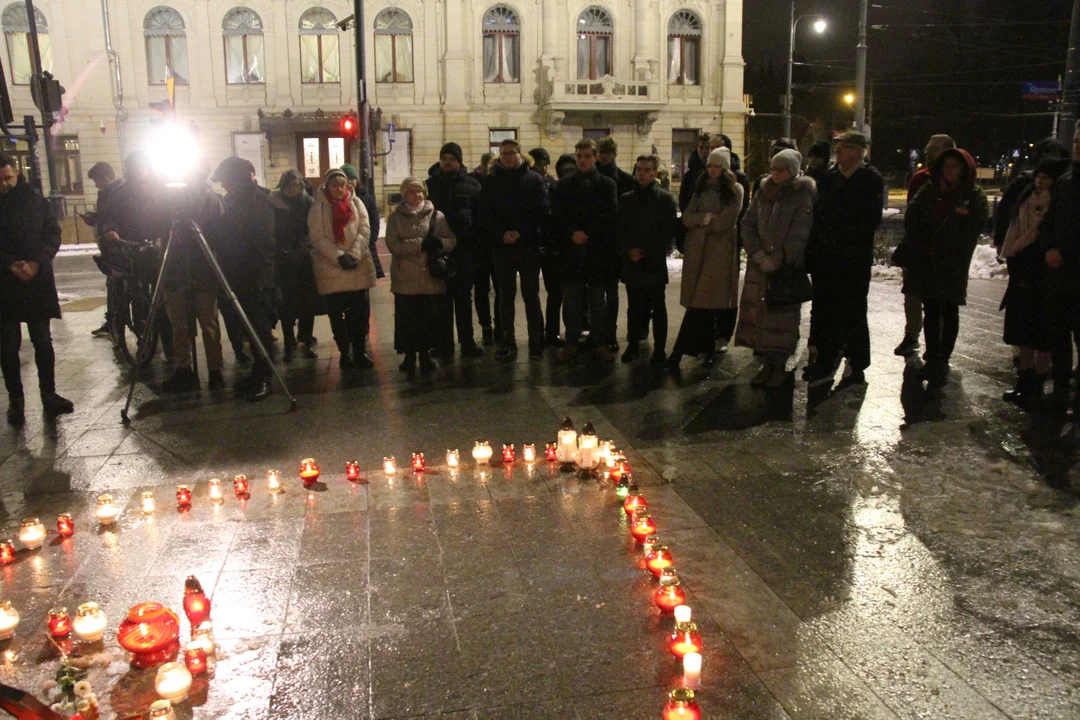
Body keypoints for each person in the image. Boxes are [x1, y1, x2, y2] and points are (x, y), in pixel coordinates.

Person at [901, 148, 988, 391]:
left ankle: (943, 359)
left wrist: (950, 248)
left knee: (948, 310)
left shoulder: (973, 195)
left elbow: (972, 229)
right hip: (927, 261)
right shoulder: (930, 189)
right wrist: (925, 243)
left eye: (955, 167)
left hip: (952, 264)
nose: (950, 171)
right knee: (930, 309)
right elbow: (913, 217)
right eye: (947, 166)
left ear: (964, 170)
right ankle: (931, 357)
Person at [805, 131, 885, 388]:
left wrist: (841, 232)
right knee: (827, 310)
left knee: (853, 310)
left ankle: (856, 361)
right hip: (827, 258)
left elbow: (869, 220)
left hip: (853, 258)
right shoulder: (830, 177)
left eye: (844, 147)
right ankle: (827, 359)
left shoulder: (870, 179)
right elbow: (819, 213)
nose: (837, 152)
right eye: (837, 147)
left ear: (858, 151)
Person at [0, 153, 72, 423]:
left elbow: (52, 235)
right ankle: (16, 400)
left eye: (7, 178)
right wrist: (10, 265)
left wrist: (35, 263)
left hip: (36, 281)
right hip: (5, 283)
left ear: (17, 174)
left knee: (42, 340)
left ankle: (48, 394)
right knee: (8, 346)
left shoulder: (36, 202)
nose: (4, 185)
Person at [734, 149, 815, 388]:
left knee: (781, 317)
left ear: (791, 171)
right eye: (773, 168)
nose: (775, 173)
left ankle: (779, 365)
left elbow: (800, 233)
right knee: (761, 314)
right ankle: (766, 363)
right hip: (759, 267)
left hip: (785, 270)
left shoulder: (802, 195)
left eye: (781, 169)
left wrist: (779, 258)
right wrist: (758, 254)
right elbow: (747, 223)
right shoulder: (763, 192)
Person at [999, 156, 1069, 407]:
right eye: (1038, 177)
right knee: (1022, 332)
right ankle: (1024, 380)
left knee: (1041, 334)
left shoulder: (1057, 205)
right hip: (1021, 272)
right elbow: (1013, 227)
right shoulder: (1026, 199)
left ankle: (1038, 381)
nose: (1040, 182)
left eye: (1046, 178)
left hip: (1043, 275)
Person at [668, 148, 744, 370]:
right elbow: (687, 217)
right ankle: (704, 349)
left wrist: (700, 222)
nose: (712, 170)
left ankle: (682, 352)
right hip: (698, 251)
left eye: (717, 166)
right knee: (700, 304)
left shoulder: (734, 189)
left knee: (704, 303)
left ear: (725, 168)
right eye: (710, 165)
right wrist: (708, 217)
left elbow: (725, 223)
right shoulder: (700, 187)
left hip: (719, 254)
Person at [211, 156, 277, 401]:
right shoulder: (233, 200)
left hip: (254, 274)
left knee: (259, 329)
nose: (224, 187)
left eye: (226, 181)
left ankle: (265, 377)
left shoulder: (257, 199)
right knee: (249, 328)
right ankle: (256, 373)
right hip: (237, 273)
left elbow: (260, 239)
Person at [97, 152, 173, 359]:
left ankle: (169, 344)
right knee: (137, 293)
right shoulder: (120, 194)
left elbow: (168, 216)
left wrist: (162, 237)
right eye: (136, 168)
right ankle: (143, 334)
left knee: (162, 299)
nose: (141, 172)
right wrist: (112, 231)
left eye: (144, 167)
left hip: (157, 249)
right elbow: (110, 217)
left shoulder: (160, 191)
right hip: (131, 247)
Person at [480, 139, 549, 361]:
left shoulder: (534, 179)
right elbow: (485, 214)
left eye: (512, 152)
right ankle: (508, 342)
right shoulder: (491, 181)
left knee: (531, 294)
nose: (508, 157)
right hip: (502, 247)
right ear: (499, 156)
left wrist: (521, 232)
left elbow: (541, 211)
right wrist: (501, 234)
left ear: (520, 154)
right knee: (505, 295)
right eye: (504, 153)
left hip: (528, 245)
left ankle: (536, 341)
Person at [160, 163, 226, 393]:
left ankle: (215, 370)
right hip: (176, 272)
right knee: (179, 324)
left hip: (203, 271)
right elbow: (157, 225)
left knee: (208, 322)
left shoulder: (212, 201)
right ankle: (183, 369)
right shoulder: (169, 200)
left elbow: (218, 235)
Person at [555, 138, 618, 362]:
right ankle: (572, 342)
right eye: (579, 156)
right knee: (572, 302)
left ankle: (600, 342)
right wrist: (572, 233)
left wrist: (587, 234)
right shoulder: (563, 185)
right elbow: (559, 217)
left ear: (595, 157)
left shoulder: (607, 184)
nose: (582, 160)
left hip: (597, 252)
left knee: (597, 302)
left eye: (587, 156)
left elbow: (609, 217)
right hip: (572, 252)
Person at [308, 167, 377, 370]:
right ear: (327, 187)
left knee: (359, 314)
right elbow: (317, 237)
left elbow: (364, 229)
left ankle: (358, 351)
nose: (339, 189)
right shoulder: (318, 208)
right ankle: (344, 352)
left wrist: (354, 254)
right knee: (337, 316)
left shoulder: (356, 203)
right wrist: (339, 257)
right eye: (334, 185)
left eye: (342, 185)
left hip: (357, 266)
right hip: (332, 269)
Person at [895, 134, 957, 357]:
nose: (928, 152)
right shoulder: (921, 178)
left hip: (942, 250)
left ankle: (938, 347)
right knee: (912, 294)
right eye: (927, 148)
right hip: (917, 247)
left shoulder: (957, 179)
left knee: (938, 302)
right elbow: (912, 212)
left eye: (933, 149)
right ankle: (912, 335)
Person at [386, 177, 455, 373]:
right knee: (407, 319)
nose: (415, 195)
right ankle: (409, 356)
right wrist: (420, 244)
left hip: (429, 276)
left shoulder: (437, 216)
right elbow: (393, 245)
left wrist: (440, 244)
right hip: (405, 277)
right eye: (410, 191)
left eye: (418, 191)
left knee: (427, 319)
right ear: (403, 194)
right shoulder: (396, 217)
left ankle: (425, 355)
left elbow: (451, 239)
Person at [618, 154, 677, 365]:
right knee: (634, 307)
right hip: (633, 260)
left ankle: (660, 349)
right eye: (639, 169)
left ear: (655, 173)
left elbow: (667, 231)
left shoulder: (665, 199)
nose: (642, 173)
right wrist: (629, 250)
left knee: (657, 306)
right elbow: (621, 229)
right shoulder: (627, 199)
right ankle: (633, 345)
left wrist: (650, 252)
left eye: (646, 170)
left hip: (653, 262)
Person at [1038, 122, 1080, 413]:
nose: (1077, 145)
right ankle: (1061, 389)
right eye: (1076, 140)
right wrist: (1050, 248)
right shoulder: (1065, 182)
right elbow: (1051, 224)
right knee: (1059, 334)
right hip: (1062, 276)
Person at [428, 142, 484, 358]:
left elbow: (480, 219)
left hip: (464, 251)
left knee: (463, 299)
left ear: (459, 162)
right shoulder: (430, 186)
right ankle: (443, 343)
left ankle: (467, 341)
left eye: (452, 158)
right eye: (444, 158)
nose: (448, 162)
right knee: (440, 300)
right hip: (438, 251)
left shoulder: (472, 186)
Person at [271, 169, 325, 362]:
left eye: (296, 185)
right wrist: (281, 250)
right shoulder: (273, 202)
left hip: (303, 259)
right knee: (286, 304)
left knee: (307, 302)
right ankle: (288, 341)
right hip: (283, 260)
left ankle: (307, 337)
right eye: (289, 185)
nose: (293, 188)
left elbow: (312, 228)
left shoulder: (307, 202)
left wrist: (303, 248)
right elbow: (271, 230)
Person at [596, 136, 633, 351]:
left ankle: (610, 332)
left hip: (614, 243)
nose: (604, 156)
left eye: (607, 152)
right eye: (601, 152)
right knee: (594, 292)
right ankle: (597, 332)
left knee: (611, 291)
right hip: (595, 243)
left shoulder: (625, 180)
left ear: (614, 154)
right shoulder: (591, 177)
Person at [530, 147, 564, 346]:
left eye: (542, 164)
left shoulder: (553, 185)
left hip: (550, 245)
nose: (540, 169)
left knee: (555, 291)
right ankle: (538, 334)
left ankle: (551, 333)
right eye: (536, 164)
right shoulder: (526, 184)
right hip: (533, 243)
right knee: (531, 293)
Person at [86, 161, 124, 337]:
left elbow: (114, 218)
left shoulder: (115, 193)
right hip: (111, 247)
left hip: (118, 248)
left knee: (118, 285)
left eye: (97, 180)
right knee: (113, 285)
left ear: (106, 177)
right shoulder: (108, 193)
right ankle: (113, 321)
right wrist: (94, 219)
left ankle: (119, 322)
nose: (96, 185)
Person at [341, 163, 384, 280]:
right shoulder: (336, 200)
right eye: (346, 179)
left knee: (367, 276)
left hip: (366, 242)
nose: (349, 182)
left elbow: (374, 220)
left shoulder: (366, 198)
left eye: (352, 179)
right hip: (347, 243)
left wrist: (371, 239)